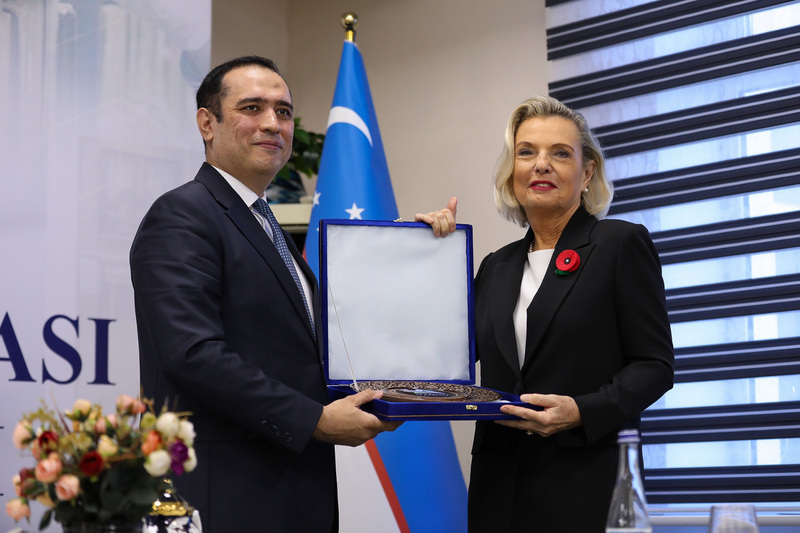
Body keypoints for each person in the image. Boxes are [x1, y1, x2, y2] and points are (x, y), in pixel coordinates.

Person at [130, 56, 400, 532]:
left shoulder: (266, 226)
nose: (272, 124)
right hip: (225, 497)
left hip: (293, 492)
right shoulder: (183, 214)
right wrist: (314, 420)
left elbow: (300, 351)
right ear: (206, 123)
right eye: (252, 108)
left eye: (283, 111)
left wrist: (417, 253)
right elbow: (192, 354)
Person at [416, 96, 674, 532]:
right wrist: (430, 256)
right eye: (526, 152)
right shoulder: (494, 266)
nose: (541, 165)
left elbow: (655, 367)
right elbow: (446, 359)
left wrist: (580, 411)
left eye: (560, 153)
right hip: (499, 488)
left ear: (587, 171)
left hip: (585, 483)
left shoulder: (619, 245)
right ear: (512, 169)